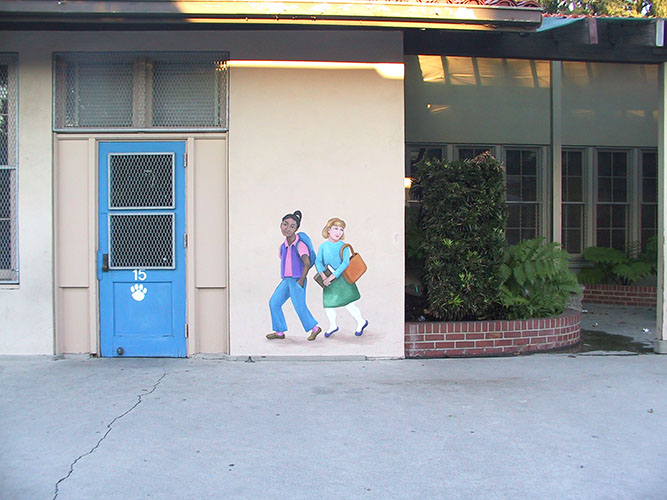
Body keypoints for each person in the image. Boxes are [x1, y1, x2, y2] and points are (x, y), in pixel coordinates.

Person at [267, 210, 322, 341]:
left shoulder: (299, 244)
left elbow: (307, 263)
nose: (287, 228)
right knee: (274, 302)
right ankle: (279, 331)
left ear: (296, 229)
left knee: (299, 306)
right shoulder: (283, 246)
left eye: (292, 226)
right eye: (285, 224)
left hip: (297, 279)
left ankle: (315, 328)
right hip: (287, 280)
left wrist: (302, 280)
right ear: (281, 225)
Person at [315, 217, 368, 337]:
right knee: (328, 305)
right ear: (328, 230)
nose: (338, 232)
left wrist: (332, 276)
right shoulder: (323, 246)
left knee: (349, 304)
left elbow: (345, 263)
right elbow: (318, 261)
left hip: (342, 279)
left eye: (341, 229)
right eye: (336, 228)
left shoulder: (343, 246)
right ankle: (333, 325)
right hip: (328, 280)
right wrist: (323, 276)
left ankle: (361, 321)